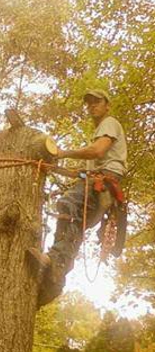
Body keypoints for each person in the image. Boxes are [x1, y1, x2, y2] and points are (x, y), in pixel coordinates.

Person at [28, 89, 127, 307]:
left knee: (67, 203)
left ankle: (56, 260)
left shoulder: (109, 123)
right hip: (96, 181)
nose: (92, 106)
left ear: (106, 105)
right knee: (75, 224)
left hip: (103, 181)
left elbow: (97, 151)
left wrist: (62, 153)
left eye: (97, 102)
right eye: (89, 103)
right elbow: (81, 173)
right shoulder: (99, 131)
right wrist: (53, 167)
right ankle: (56, 277)